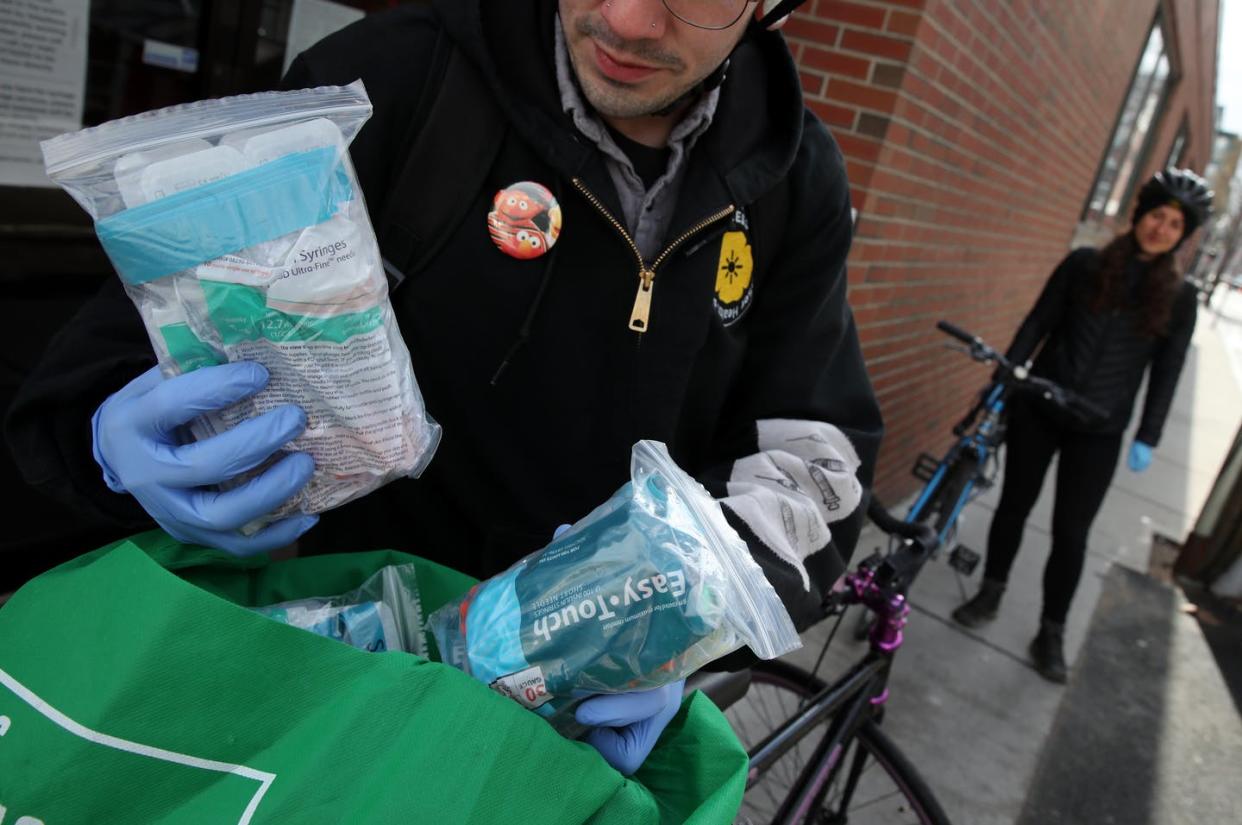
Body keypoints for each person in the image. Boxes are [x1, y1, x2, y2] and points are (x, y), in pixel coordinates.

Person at [6, 0, 883, 775]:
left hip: (566, 735)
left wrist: (694, 626)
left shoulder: (792, 179)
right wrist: (114, 443)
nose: (626, 20)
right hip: (328, 685)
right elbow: (139, 337)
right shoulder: (398, 78)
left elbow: (814, 461)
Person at [951, 169, 1212, 684]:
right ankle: (991, 590)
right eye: (1157, 215)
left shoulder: (1180, 298)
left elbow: (1168, 370)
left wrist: (1148, 435)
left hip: (1099, 428)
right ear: (1141, 215)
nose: (1162, 227)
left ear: (1183, 236)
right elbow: (1037, 323)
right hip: (1039, 407)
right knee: (1013, 506)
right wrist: (1007, 377)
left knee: (1072, 533)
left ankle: (1051, 630)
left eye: (1175, 223)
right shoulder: (1084, 265)